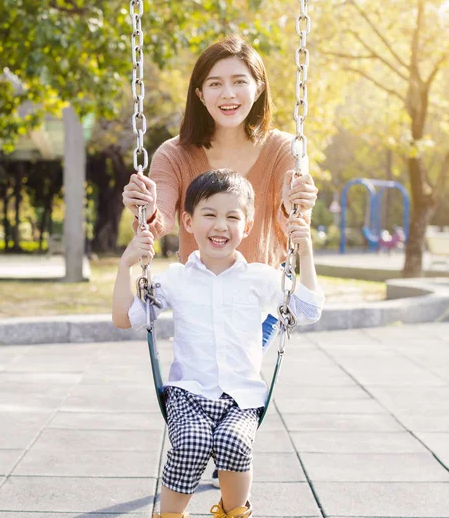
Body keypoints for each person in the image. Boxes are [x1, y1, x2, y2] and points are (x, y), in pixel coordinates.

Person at [112, 169, 324, 518]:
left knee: (235, 442)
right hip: (187, 394)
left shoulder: (260, 278)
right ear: (188, 221)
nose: (220, 226)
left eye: (232, 217)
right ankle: (169, 516)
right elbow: (124, 318)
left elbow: (308, 310)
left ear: (248, 224)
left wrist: (306, 254)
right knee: (191, 441)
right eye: (209, 214)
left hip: (241, 396)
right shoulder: (177, 279)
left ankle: (233, 512)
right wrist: (126, 264)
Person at [122, 34, 318, 269]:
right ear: (201, 95)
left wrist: (292, 206)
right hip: (198, 299)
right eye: (215, 84)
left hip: (262, 299)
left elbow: (293, 235)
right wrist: (147, 209)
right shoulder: (173, 155)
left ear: (258, 89)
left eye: (239, 82)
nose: (228, 94)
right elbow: (157, 223)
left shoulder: (286, 151)